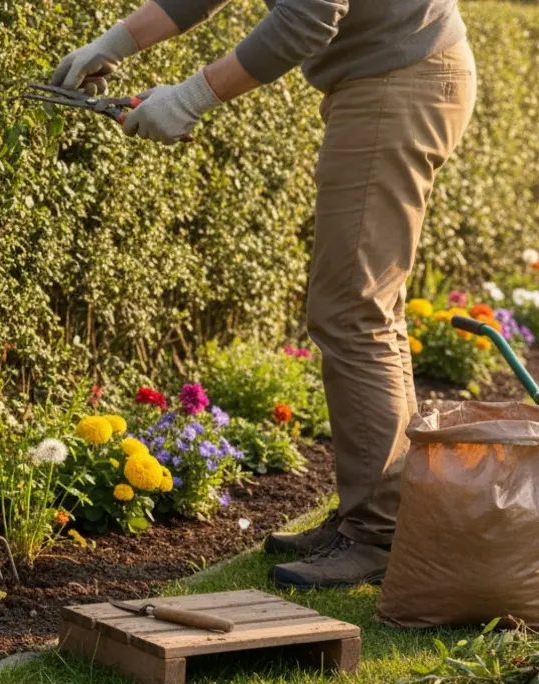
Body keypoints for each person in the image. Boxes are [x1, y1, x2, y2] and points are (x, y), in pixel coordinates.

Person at [51, 0, 475, 589]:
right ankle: (379, 517)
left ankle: (377, 535)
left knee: (353, 310)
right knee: (370, 309)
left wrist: (189, 97)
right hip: (394, 77)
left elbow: (306, 17)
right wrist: (114, 42)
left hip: (397, 81)